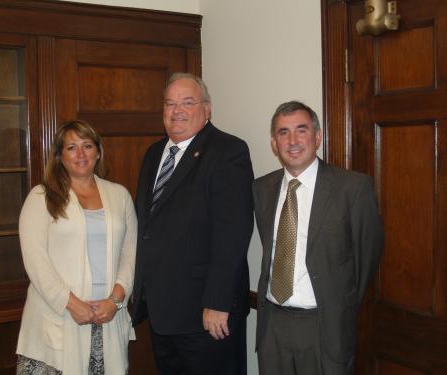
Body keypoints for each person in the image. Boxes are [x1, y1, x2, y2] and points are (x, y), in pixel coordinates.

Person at [132, 72, 254, 375]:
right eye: (169, 104)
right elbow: (148, 228)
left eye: (187, 102)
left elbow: (233, 235)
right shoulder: (153, 154)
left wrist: (218, 302)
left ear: (207, 108)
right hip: (162, 310)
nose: (177, 111)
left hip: (205, 314)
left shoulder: (228, 152)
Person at [253, 101, 383, 375]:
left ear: (318, 136)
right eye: (283, 132)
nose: (293, 141)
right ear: (274, 143)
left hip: (323, 325)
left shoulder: (353, 188)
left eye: (301, 130)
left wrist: (339, 306)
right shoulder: (262, 188)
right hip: (273, 324)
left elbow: (366, 258)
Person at [16, 120, 137, 375]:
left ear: (98, 151)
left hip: (108, 318)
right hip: (58, 317)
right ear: (60, 155)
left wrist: (115, 300)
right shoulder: (41, 197)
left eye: (87, 146)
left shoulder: (120, 195)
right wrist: (71, 303)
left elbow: (131, 253)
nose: (81, 154)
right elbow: (36, 262)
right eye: (72, 147)